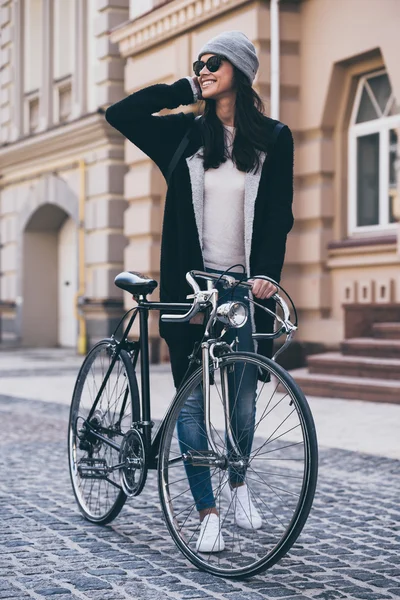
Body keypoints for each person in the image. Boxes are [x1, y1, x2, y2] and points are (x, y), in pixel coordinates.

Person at [105, 30, 294, 553]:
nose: (204, 69)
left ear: (241, 69)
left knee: (241, 395)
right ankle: (206, 511)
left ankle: (237, 483)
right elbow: (120, 114)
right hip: (190, 285)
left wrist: (268, 276)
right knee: (189, 400)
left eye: (213, 63)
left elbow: (279, 214)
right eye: (199, 63)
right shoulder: (185, 135)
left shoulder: (275, 138)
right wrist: (181, 87)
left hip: (241, 288)